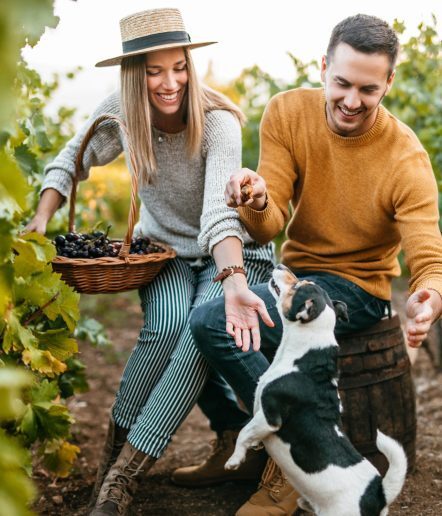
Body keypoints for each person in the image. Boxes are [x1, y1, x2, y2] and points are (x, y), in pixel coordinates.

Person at [185, 13, 442, 516]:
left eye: (368, 89)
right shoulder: (288, 112)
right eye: (342, 83)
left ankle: (289, 461)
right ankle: (239, 437)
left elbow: (428, 253)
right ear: (324, 67)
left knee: (213, 320)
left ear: (389, 82)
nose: (351, 100)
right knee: (196, 321)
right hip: (298, 276)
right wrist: (257, 200)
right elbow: (268, 224)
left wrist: (429, 292)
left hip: (356, 291)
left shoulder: (405, 159)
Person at [25, 8, 276, 516]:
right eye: (155, 70)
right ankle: (112, 459)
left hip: (229, 254)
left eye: (179, 67)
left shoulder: (217, 122)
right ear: (135, 73)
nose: (170, 82)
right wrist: (39, 221)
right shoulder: (123, 110)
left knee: (195, 335)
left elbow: (217, 217)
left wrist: (230, 279)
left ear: (190, 65)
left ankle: (122, 479)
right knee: (162, 329)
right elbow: (72, 159)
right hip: (164, 255)